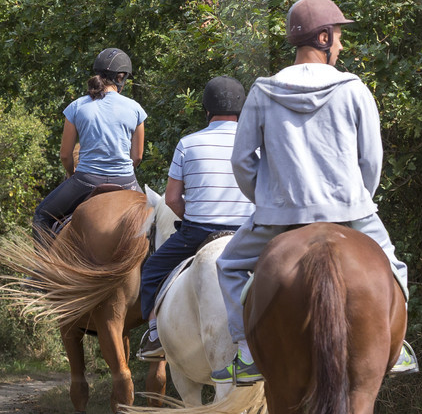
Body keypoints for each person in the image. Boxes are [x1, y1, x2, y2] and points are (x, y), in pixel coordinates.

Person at [211, 0, 416, 385]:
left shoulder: (263, 90)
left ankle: (247, 353)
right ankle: (399, 346)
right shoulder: (354, 89)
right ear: (323, 37)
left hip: (278, 217)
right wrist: (356, 197)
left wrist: (269, 199)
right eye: (338, 35)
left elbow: (241, 161)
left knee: (230, 266)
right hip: (350, 212)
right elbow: (371, 160)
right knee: (393, 268)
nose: (340, 44)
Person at [135, 76, 256, 361]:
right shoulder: (255, 144)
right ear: (242, 109)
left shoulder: (188, 144)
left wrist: (194, 217)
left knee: (151, 270)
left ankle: (154, 335)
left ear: (207, 110)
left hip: (199, 233)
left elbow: (173, 199)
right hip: (248, 236)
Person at [31, 48, 148, 239]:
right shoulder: (135, 109)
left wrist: (71, 173)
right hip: (126, 180)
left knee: (42, 216)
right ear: (121, 77)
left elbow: (65, 155)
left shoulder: (77, 107)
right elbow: (137, 156)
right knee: (154, 222)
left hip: (86, 180)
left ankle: (43, 269)